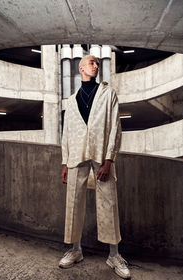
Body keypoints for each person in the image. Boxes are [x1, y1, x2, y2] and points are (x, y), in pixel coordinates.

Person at [59, 55, 131, 279]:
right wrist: (64, 161)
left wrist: (109, 159)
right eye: (91, 63)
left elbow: (115, 128)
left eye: (97, 63)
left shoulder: (108, 94)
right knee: (73, 201)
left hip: (101, 154)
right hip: (76, 155)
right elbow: (66, 134)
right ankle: (75, 250)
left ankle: (114, 255)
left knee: (109, 202)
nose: (96, 66)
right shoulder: (71, 101)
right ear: (81, 68)